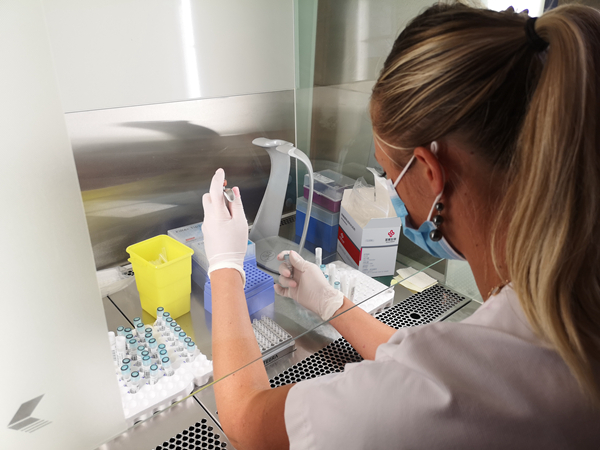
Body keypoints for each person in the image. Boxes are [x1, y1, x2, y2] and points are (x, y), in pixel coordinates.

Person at [201, 2, 600, 449]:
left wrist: (226, 264)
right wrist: (333, 304)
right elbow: (437, 368)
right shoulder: (563, 304)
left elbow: (247, 420)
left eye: (389, 174)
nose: (389, 190)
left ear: (430, 172)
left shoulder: (438, 394)